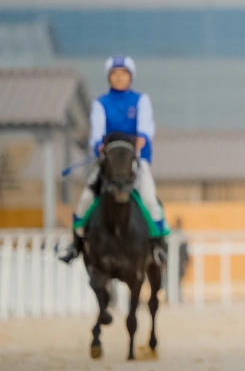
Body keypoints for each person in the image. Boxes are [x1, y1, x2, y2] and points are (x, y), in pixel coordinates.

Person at [59, 56, 167, 264]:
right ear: (109, 78)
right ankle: (76, 244)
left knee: (150, 200)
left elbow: (145, 129)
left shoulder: (141, 100)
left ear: (130, 77)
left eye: (123, 74)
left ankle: (158, 247)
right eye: (115, 74)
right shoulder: (101, 103)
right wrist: (100, 145)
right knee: (84, 200)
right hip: (108, 163)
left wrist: (138, 143)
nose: (119, 78)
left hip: (135, 161)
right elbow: (96, 133)